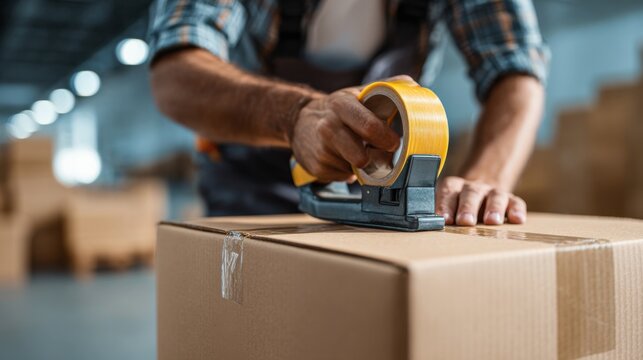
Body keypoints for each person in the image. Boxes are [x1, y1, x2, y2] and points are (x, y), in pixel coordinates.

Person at [148, 0, 549, 226]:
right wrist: (295, 116)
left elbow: (514, 69)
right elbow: (174, 73)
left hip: (378, 180)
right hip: (250, 180)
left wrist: (483, 182)